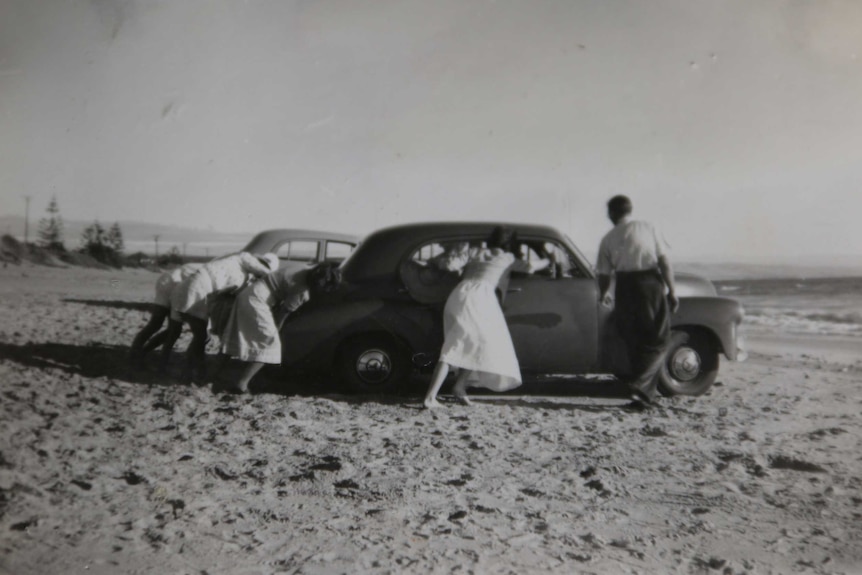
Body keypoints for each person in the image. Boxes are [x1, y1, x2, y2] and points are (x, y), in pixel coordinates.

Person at [423, 226, 549, 408]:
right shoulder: (507, 258)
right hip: (480, 298)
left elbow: (450, 265)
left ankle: (459, 387)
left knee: (476, 342)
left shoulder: (475, 251)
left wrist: (439, 261)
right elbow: (530, 266)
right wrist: (547, 259)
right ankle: (430, 397)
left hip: (460, 293)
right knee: (457, 346)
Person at [596, 195, 679, 409]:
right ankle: (640, 388)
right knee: (659, 339)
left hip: (624, 287)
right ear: (629, 210)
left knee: (634, 340)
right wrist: (672, 290)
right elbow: (664, 261)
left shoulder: (608, 238)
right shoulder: (647, 227)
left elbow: (604, 274)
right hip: (648, 283)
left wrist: (604, 293)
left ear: (613, 213)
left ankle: (643, 397)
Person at [214, 262, 342, 394]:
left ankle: (213, 375)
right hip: (256, 301)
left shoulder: (303, 267)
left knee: (235, 337)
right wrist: (276, 330)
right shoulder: (301, 292)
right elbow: (282, 314)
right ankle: (241, 385)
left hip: (250, 293)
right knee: (271, 344)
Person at [168, 251, 279, 382]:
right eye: (261, 263)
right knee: (201, 337)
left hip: (198, 294)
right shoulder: (244, 258)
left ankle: (193, 371)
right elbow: (265, 272)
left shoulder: (242, 274)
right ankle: (191, 372)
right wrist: (272, 278)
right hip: (196, 292)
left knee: (201, 337)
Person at [129, 262, 201, 369]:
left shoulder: (213, 266)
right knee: (172, 329)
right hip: (175, 283)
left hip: (167, 279)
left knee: (156, 324)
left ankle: (137, 352)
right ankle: (143, 355)